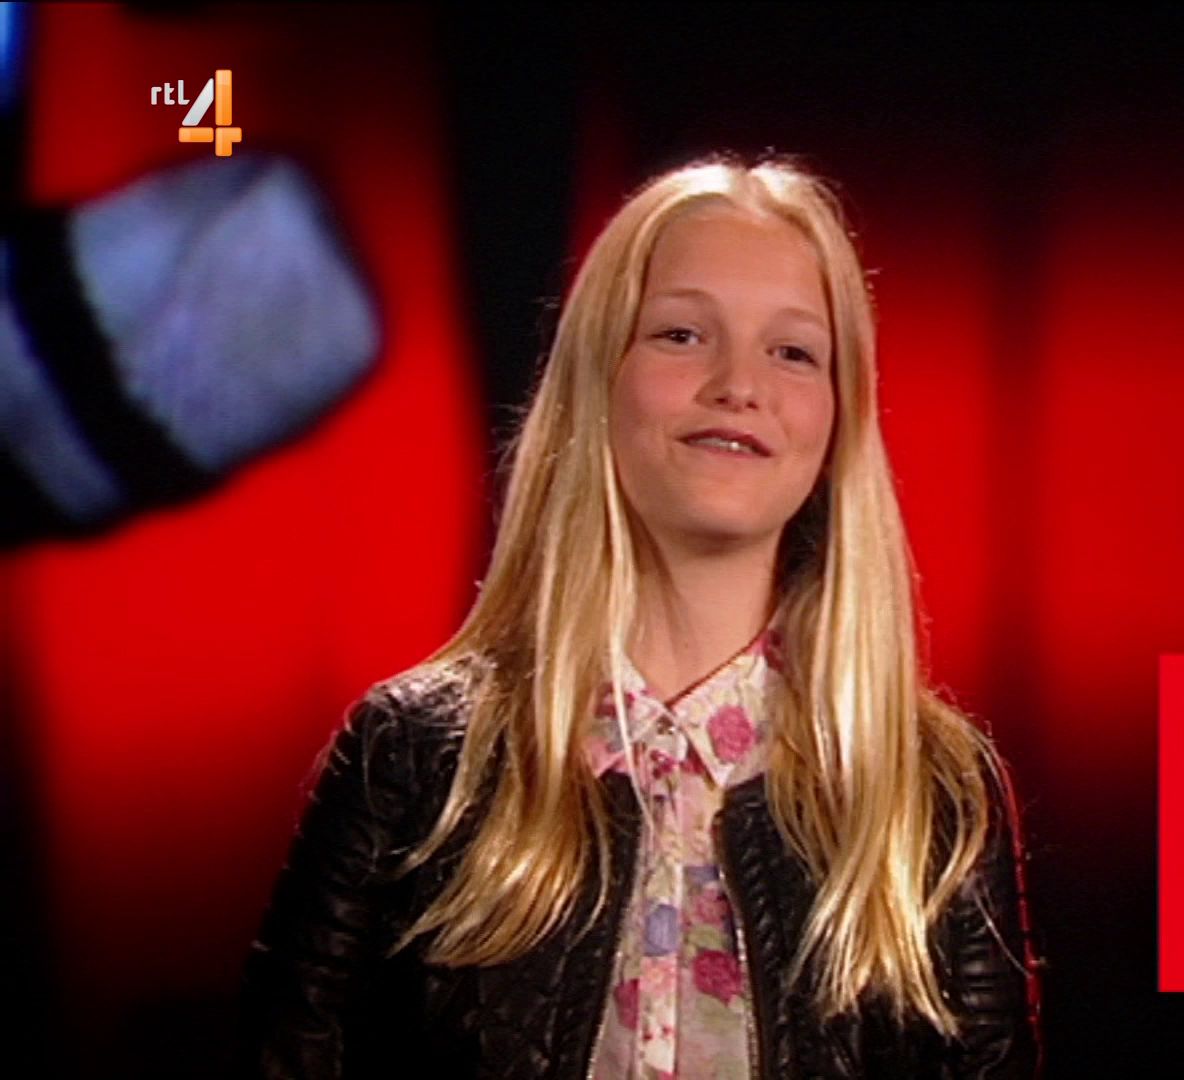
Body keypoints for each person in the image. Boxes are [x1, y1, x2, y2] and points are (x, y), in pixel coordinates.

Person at [239, 154, 1043, 1079]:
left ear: (838, 422)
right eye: (681, 334)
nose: (739, 384)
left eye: (793, 351)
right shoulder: (413, 757)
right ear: (598, 380)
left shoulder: (930, 792)